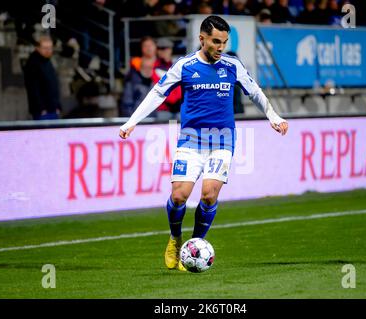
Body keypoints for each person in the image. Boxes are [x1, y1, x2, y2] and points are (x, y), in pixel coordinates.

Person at [118, 15, 288, 271]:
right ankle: (176, 238)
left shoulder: (232, 65)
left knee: (208, 196)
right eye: (216, 41)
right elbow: (157, 93)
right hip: (191, 139)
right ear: (202, 39)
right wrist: (132, 122)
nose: (221, 47)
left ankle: (195, 244)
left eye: (224, 42)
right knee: (179, 196)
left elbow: (254, 91)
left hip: (222, 140)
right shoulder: (184, 65)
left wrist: (273, 116)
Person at [23, 35, 62, 120]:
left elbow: (54, 85)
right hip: (43, 111)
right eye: (45, 48)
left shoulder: (47, 62)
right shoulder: (33, 64)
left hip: (52, 109)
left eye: (50, 48)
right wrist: (40, 109)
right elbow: (33, 88)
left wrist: (57, 106)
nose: (48, 50)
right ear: (38, 48)